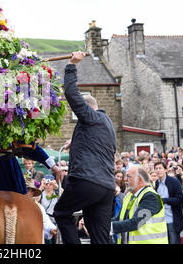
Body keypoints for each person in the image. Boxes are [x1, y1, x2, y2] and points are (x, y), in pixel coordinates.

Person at [53, 51, 117, 244]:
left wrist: (72, 64)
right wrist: (76, 143)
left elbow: (71, 93)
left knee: (61, 212)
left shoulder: (90, 116)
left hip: (87, 181)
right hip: (106, 188)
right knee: (100, 237)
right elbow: (97, 147)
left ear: (88, 108)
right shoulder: (107, 125)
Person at [111, 166, 168, 244]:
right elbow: (119, 218)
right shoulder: (129, 196)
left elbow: (136, 223)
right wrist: (101, 224)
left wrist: (109, 227)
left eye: (128, 176)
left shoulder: (151, 197)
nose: (125, 179)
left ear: (140, 180)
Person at [154, 161, 183, 244]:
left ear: (165, 170)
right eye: (156, 169)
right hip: (161, 220)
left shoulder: (174, 182)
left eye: (160, 168)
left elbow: (180, 200)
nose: (158, 170)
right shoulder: (157, 183)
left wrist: (165, 200)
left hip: (172, 219)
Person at [25, 177, 57, 243]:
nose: (25, 192)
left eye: (28, 190)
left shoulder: (38, 207)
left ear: (32, 193)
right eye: (23, 189)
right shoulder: (14, 205)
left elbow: (45, 220)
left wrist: (51, 228)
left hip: (34, 238)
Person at [39, 175, 59, 243]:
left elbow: (65, 195)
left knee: (55, 241)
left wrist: (57, 186)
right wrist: (41, 186)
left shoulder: (56, 193)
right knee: (45, 241)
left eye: (50, 184)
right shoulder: (41, 194)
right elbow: (35, 199)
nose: (48, 186)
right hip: (44, 221)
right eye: (46, 184)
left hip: (54, 220)